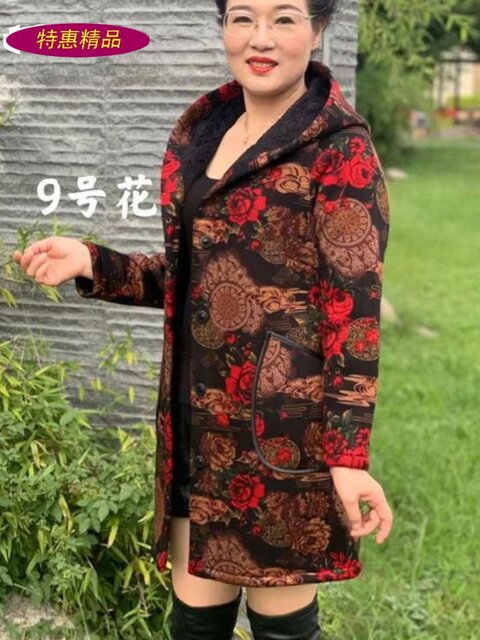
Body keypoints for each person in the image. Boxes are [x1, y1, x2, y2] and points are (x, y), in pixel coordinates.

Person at [12, 0, 394, 638]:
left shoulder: (339, 149)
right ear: (223, 28)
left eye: (284, 18)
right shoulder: (208, 132)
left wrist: (348, 454)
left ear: (318, 29)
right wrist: (94, 262)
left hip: (282, 430)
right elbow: (205, 281)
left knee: (282, 625)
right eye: (242, 17)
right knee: (194, 623)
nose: (260, 38)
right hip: (199, 425)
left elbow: (353, 313)